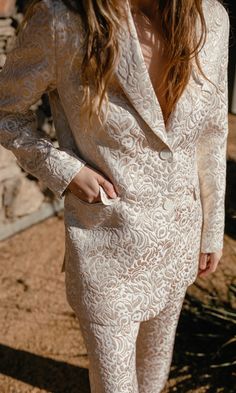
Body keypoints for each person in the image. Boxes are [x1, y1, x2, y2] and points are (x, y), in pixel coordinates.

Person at [0, 0, 230, 392]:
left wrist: (211, 228)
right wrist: (65, 170)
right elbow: (7, 112)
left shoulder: (211, 18)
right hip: (106, 247)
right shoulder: (64, 22)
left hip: (178, 240)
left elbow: (211, 133)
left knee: (154, 372)